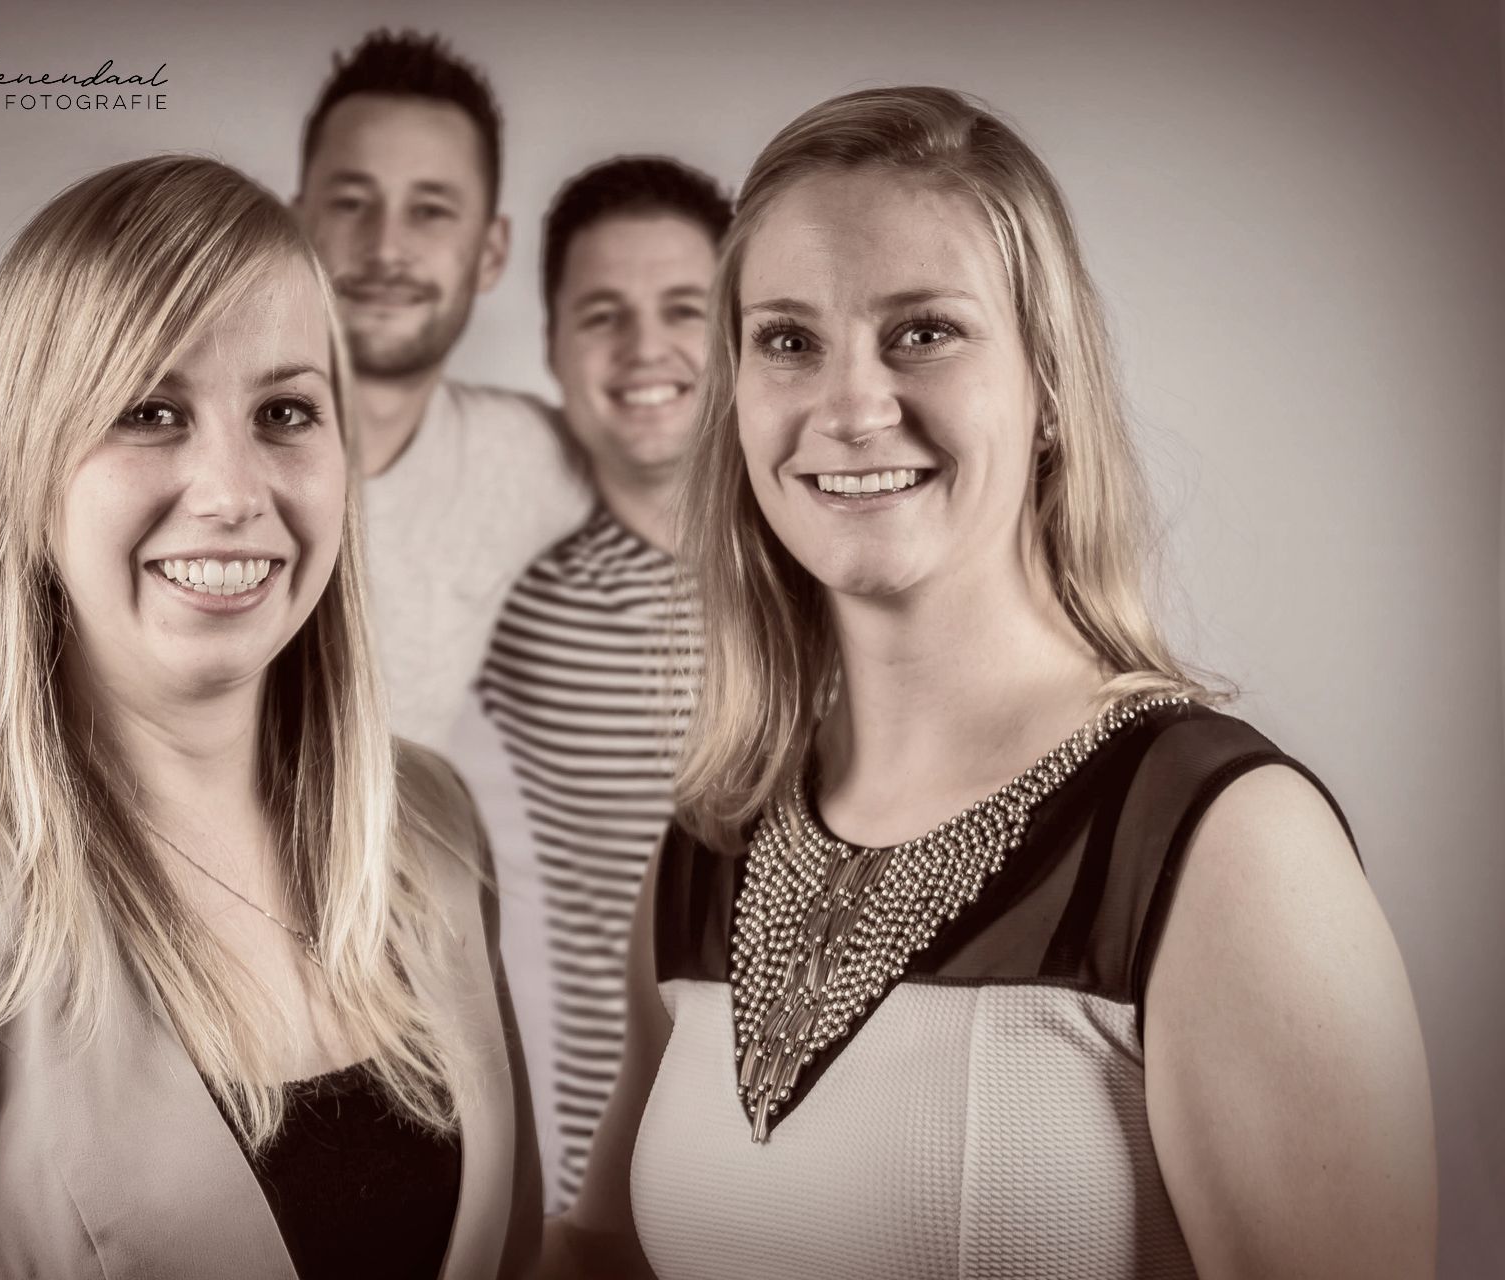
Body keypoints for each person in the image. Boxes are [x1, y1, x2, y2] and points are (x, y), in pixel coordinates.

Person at [550, 88, 1436, 1278]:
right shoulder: (711, 842)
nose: (849, 407)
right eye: (788, 341)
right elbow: (602, 1255)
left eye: (924, 331)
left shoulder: (1222, 841)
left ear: (1050, 386)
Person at [0, 156, 540, 1279]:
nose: (233, 492)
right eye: (149, 412)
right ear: (23, 471)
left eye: (286, 412)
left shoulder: (427, 821)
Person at [0, 29, 589, 840]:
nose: (386, 246)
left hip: (328, 932)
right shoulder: (70, 452)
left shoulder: (530, 458)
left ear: (491, 251)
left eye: (431, 209)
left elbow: (657, 482)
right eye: (352, 201)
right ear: (298, 222)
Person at [475, 156, 728, 1210]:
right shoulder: (507, 591)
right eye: (602, 314)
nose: (643, 348)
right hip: (593, 1179)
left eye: (684, 309)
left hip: (830, 1168)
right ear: (552, 347)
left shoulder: (845, 574)